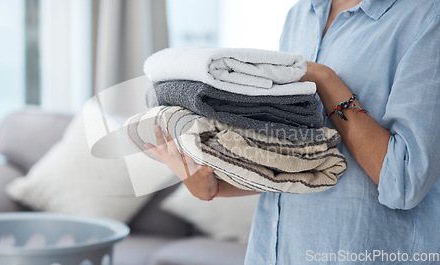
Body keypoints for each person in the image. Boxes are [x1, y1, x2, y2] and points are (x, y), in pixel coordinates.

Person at [146, 0, 440, 264]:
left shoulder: (427, 17)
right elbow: (297, 156)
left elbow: (403, 181)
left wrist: (325, 80)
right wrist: (215, 187)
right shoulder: (302, 14)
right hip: (273, 251)